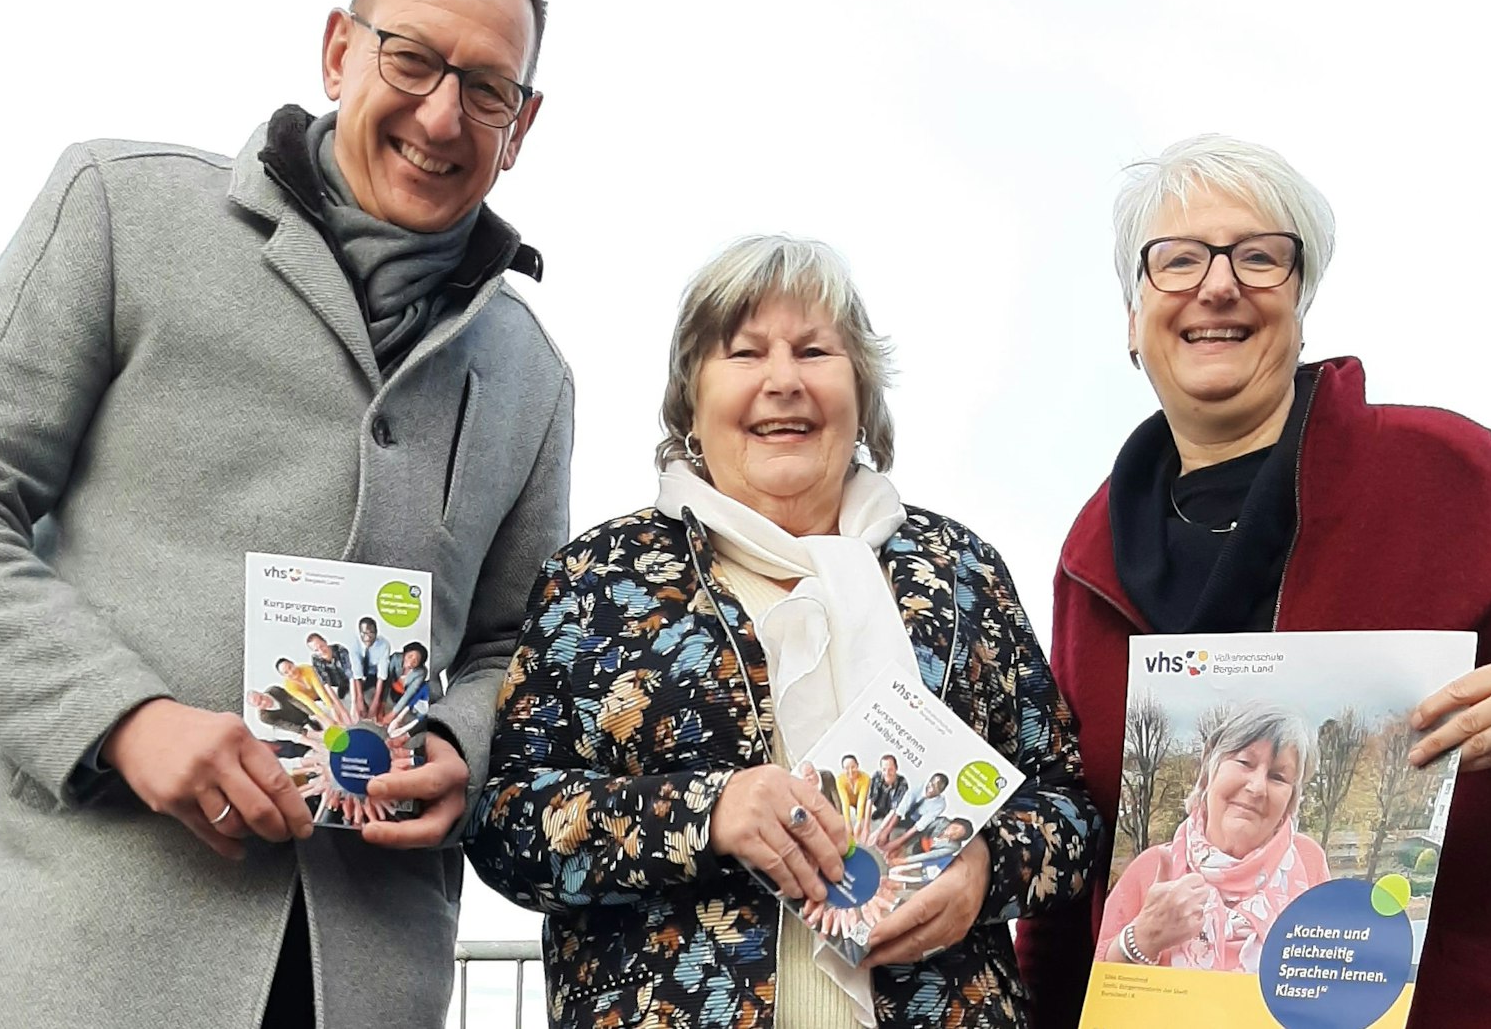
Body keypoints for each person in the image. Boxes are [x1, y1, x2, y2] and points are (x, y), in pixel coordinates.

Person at [0, 0, 572, 1028]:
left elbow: (505, 641)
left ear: (520, 124)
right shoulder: (119, 207)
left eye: (486, 88)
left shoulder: (536, 374)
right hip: (93, 956)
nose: (442, 114)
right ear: (339, 48)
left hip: (371, 977)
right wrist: (123, 717)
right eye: (413, 59)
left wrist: (457, 744)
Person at [1013, 135, 1491, 1028]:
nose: (1218, 284)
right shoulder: (1092, 551)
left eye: (1259, 257)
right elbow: (1084, 836)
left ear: (1301, 303)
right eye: (1178, 260)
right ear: (1130, 319)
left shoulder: (1437, 470)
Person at [467, 236, 1101, 1029]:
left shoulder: (958, 573)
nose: (782, 382)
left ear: (862, 394)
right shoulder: (598, 578)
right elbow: (508, 825)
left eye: (813, 351)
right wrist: (707, 811)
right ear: (689, 399)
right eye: (743, 353)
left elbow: (1068, 806)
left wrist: (985, 865)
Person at [1095, 703, 1327, 973]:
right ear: (1210, 767)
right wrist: (1143, 939)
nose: (1256, 787)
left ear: (1291, 799)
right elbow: (1096, 988)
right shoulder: (1153, 867)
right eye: (1244, 762)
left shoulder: (1308, 863)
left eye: (1278, 777)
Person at [306, 632, 354, 698]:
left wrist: (356, 702)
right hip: (336, 685)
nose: (321, 651)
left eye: (321, 646)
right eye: (316, 650)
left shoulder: (340, 650)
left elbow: (351, 674)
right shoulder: (316, 659)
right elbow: (325, 682)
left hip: (351, 680)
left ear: (325, 641)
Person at [868, 753, 908, 824]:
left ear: (896, 768)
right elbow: (870, 800)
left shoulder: (903, 783)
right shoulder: (877, 776)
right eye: (884, 769)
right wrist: (866, 826)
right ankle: (880, 812)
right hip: (879, 806)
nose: (887, 773)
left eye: (890, 769)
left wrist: (880, 831)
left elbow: (894, 809)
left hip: (893, 812)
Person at [356, 617, 388, 697]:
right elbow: (355, 669)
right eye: (364, 633)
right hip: (356, 674)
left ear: (376, 633)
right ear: (359, 633)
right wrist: (359, 698)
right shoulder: (354, 642)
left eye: (371, 633)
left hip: (372, 674)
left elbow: (382, 673)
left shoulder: (384, 644)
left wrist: (376, 700)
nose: (367, 637)